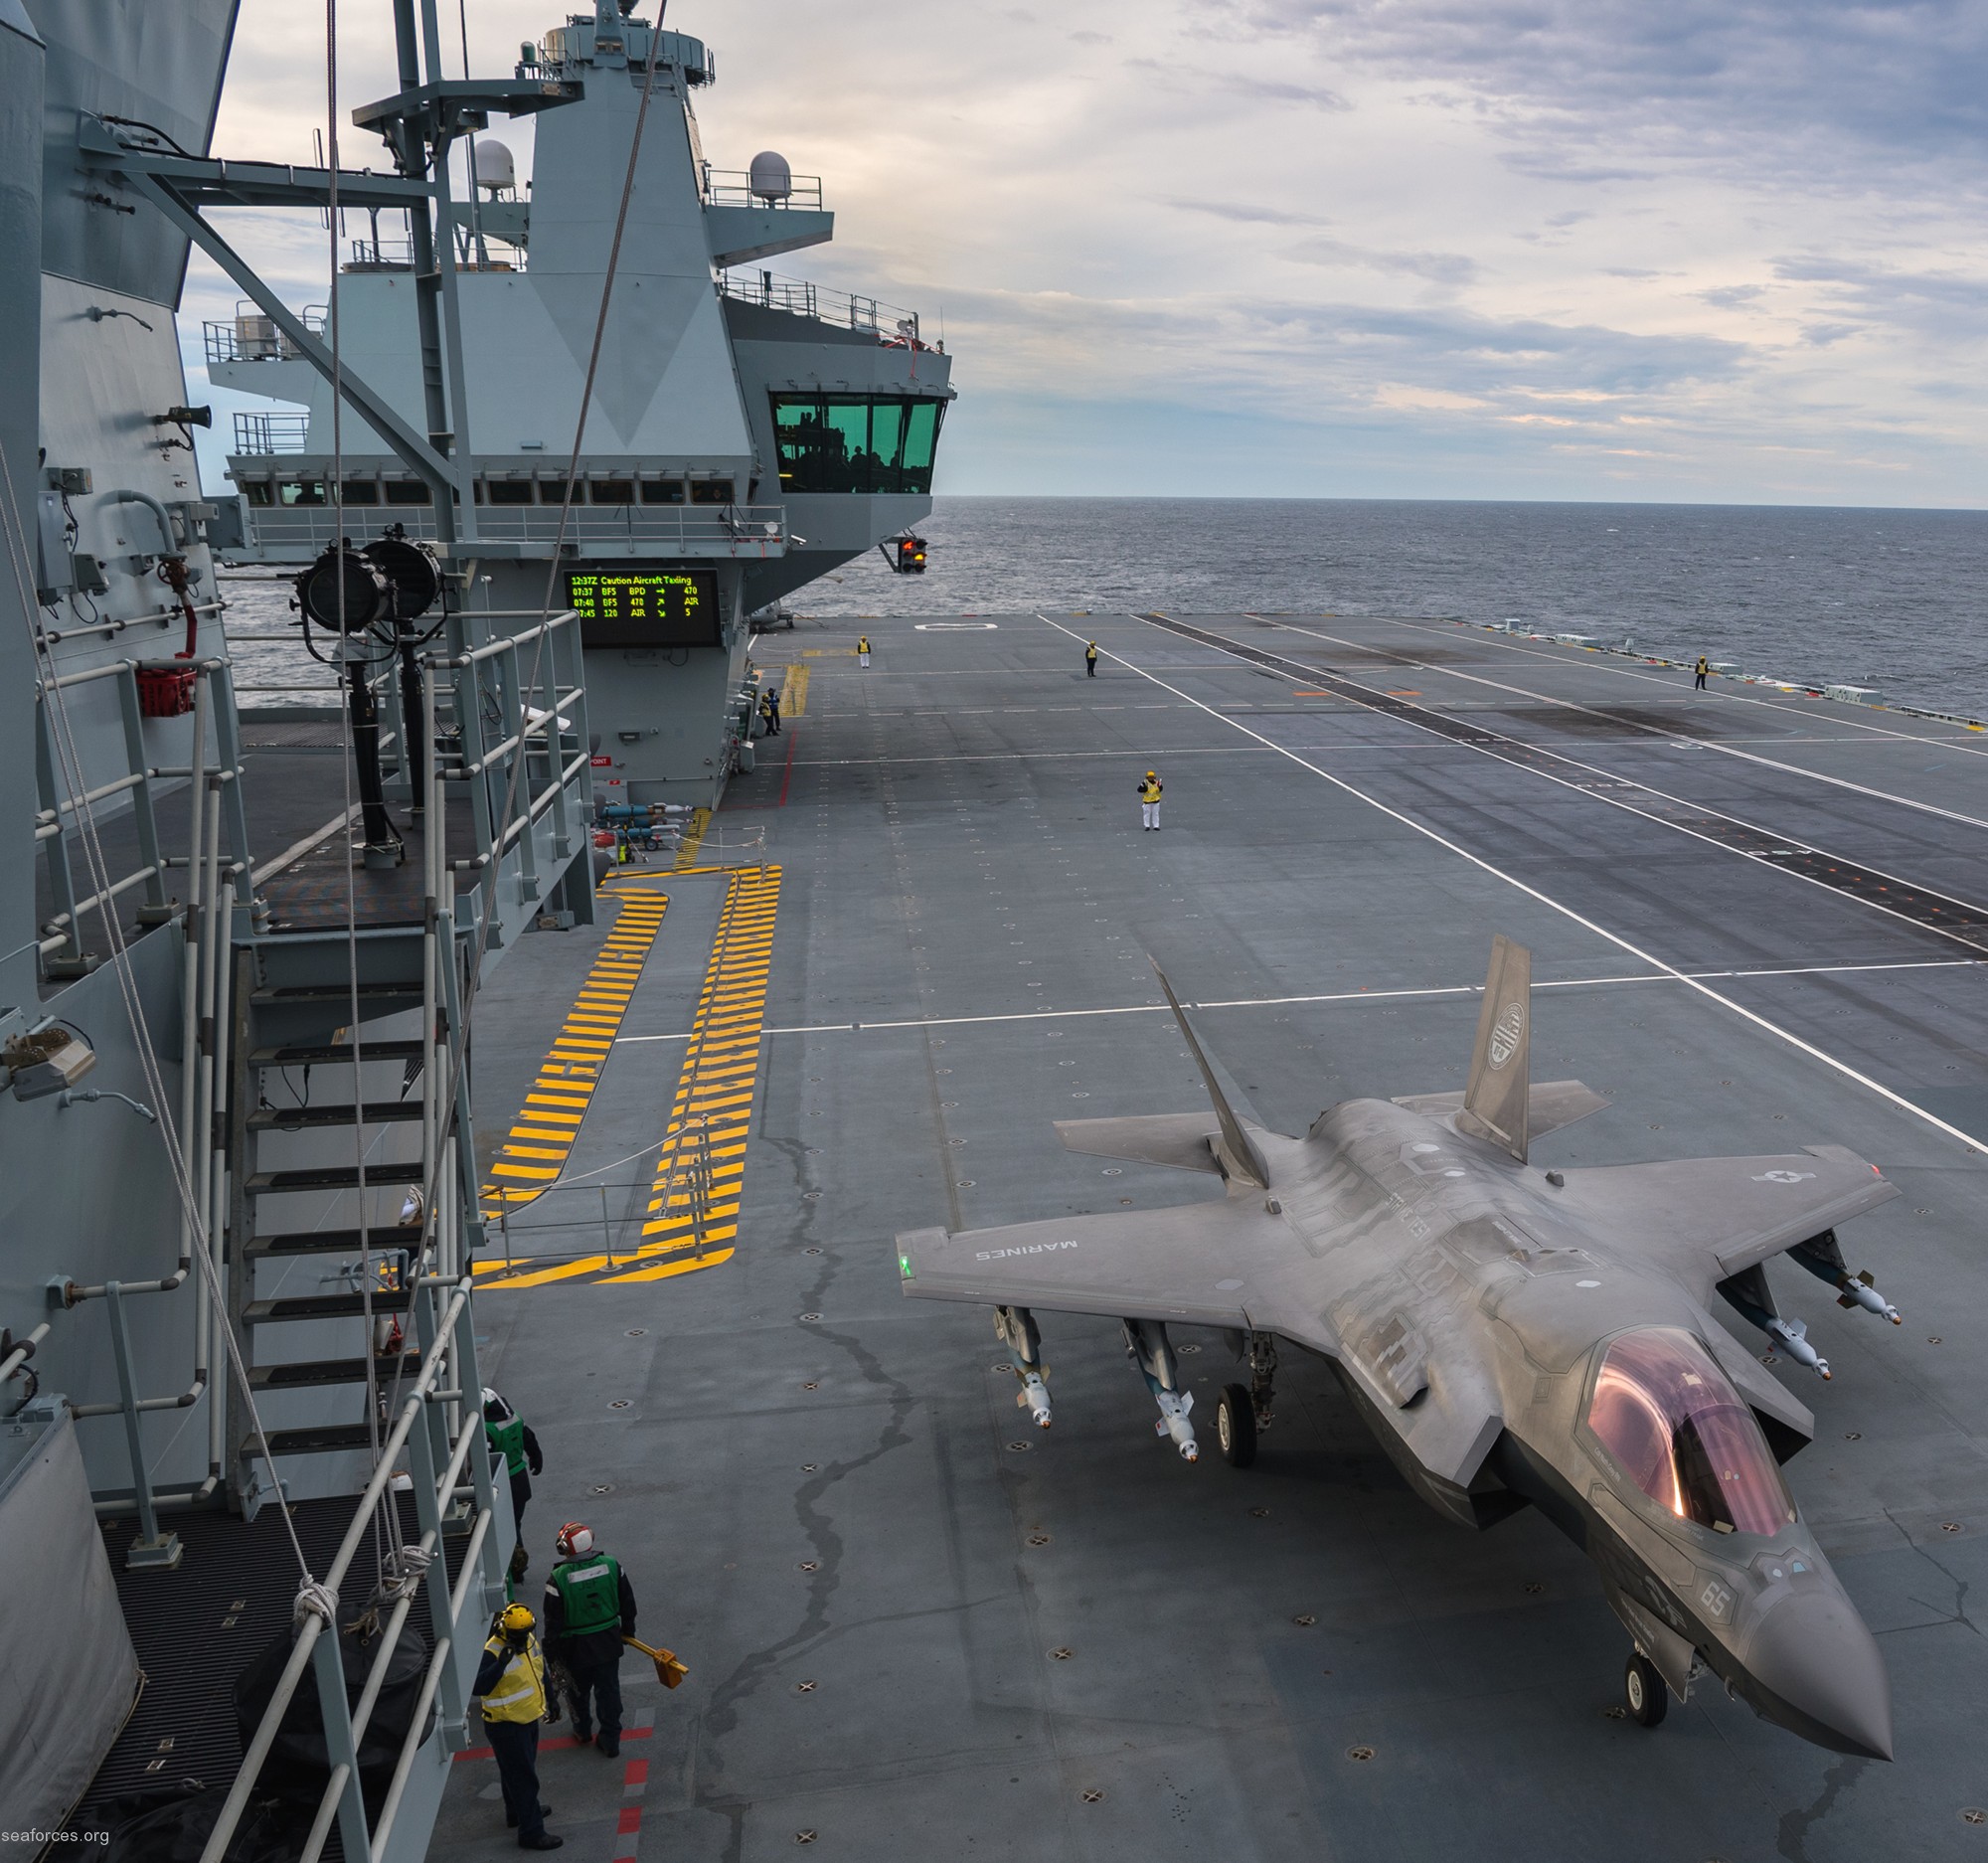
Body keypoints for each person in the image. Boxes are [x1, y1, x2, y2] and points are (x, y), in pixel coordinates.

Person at [544, 1521, 640, 1758]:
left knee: (576, 1692)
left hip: (574, 1647)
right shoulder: (612, 1566)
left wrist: (552, 1655)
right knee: (609, 1692)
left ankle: (582, 1730)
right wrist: (628, 1631)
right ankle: (610, 1740)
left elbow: (552, 1623)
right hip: (608, 1641)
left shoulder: (557, 1578)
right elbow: (628, 1602)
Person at [474, 1603, 562, 1850]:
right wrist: (500, 1664)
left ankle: (516, 1813)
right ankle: (532, 1832)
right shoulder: (491, 1651)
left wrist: (551, 1698)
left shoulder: (528, 1637)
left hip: (527, 1717)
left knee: (514, 1771)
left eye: (526, 1633)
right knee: (524, 1778)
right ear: (505, 1631)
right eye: (518, 1636)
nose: (523, 1639)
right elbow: (478, 1687)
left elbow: (539, 1666)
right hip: (506, 1724)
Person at [483, 1388, 544, 1578]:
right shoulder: (516, 1418)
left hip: (501, 1482)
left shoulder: (487, 1430)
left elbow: (485, 1459)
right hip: (520, 1479)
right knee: (515, 1522)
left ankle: (516, 1567)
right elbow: (530, 1440)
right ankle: (517, 1565)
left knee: (506, 1527)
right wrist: (536, 1458)